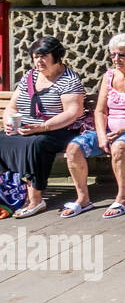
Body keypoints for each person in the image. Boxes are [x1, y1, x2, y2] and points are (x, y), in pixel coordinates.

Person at [61, 33, 125, 219]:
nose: (116, 59)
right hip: (108, 131)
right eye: (113, 54)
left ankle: (123, 198)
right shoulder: (108, 76)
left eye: (122, 55)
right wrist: (101, 135)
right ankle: (83, 199)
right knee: (73, 148)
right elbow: (100, 111)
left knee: (119, 146)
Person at [0, 36, 86, 218]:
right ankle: (5, 196)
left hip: (59, 129)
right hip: (27, 127)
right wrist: (8, 121)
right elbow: (12, 106)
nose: (39, 60)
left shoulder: (69, 79)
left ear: (57, 56)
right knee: (2, 139)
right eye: (35, 56)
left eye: (44, 56)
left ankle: (35, 199)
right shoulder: (29, 77)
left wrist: (43, 127)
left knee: (35, 144)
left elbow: (73, 112)